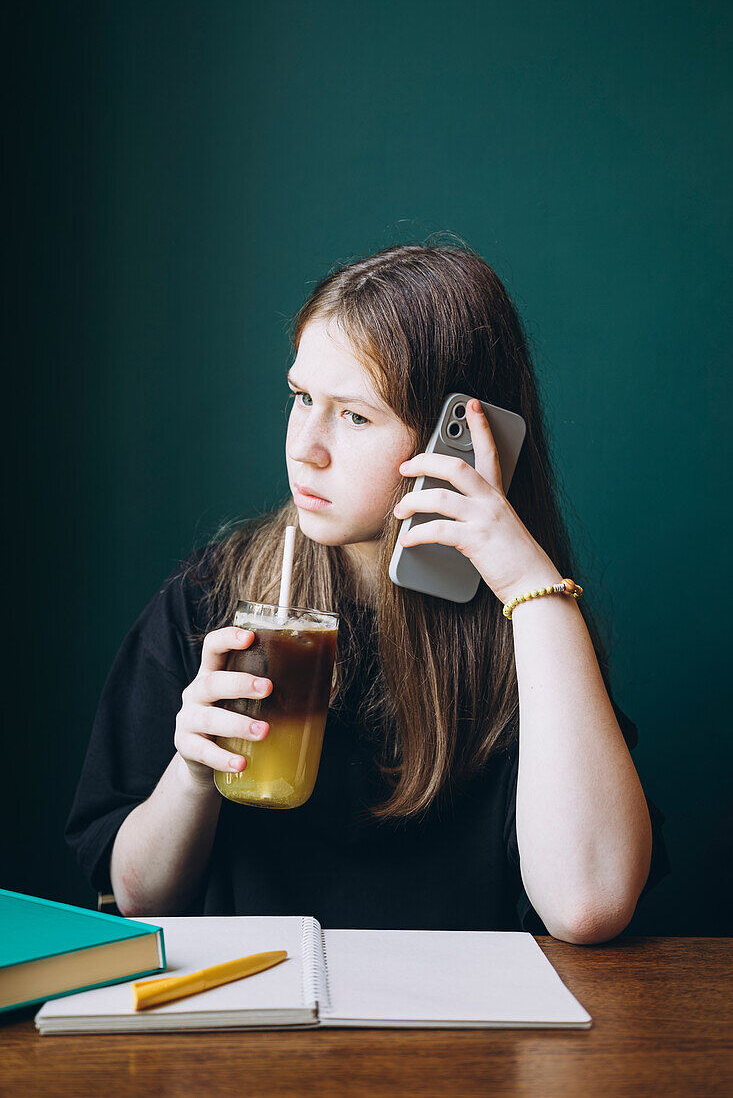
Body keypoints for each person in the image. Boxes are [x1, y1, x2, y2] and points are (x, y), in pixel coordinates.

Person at [66, 241, 670, 942]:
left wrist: (532, 587)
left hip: (461, 1039)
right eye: (300, 398)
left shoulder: (528, 624)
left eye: (354, 416)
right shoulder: (207, 599)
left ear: (460, 444)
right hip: (254, 1031)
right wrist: (194, 772)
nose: (305, 447)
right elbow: (136, 897)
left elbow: (587, 905)